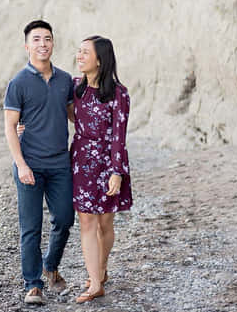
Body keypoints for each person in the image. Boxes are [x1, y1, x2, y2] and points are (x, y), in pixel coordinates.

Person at [4, 20, 75, 305]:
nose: (42, 44)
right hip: (29, 163)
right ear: (27, 46)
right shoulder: (18, 82)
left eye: (47, 39)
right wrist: (21, 165)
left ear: (53, 43)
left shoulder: (65, 80)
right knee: (31, 227)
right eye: (36, 39)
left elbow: (72, 114)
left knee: (65, 218)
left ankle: (50, 265)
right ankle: (33, 285)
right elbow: (10, 127)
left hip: (60, 163)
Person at [70, 35, 132, 304]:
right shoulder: (75, 87)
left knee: (105, 223)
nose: (79, 56)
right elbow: (66, 112)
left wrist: (117, 171)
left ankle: (101, 269)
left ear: (100, 59)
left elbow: (120, 135)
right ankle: (95, 283)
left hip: (108, 162)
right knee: (87, 221)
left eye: (85, 52)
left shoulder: (119, 94)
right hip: (82, 160)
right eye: (79, 51)